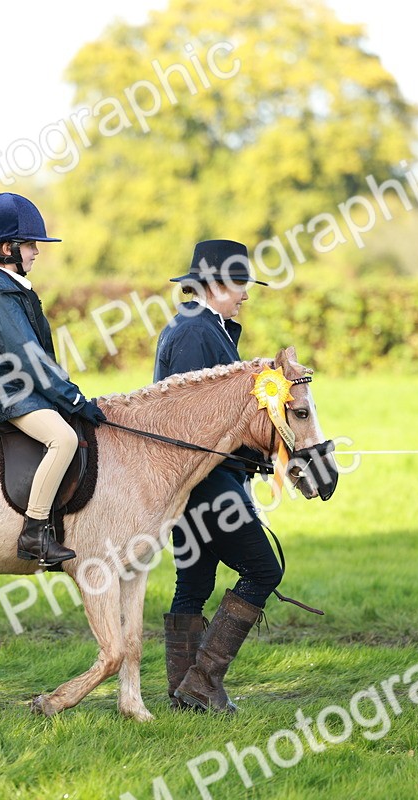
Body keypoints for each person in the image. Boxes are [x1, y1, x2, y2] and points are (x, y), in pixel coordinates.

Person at [155, 239, 279, 714]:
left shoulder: (211, 328)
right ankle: (202, 683)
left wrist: (253, 454)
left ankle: (184, 694)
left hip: (206, 478)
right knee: (264, 569)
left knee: (195, 583)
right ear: (214, 284)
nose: (246, 294)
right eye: (240, 284)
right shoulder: (193, 332)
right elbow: (192, 419)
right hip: (203, 481)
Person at [0, 193, 106, 566]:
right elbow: (30, 358)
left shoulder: (7, 286)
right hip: (2, 392)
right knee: (64, 437)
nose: (36, 252)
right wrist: (74, 400)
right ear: (8, 248)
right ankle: (34, 531)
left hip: (14, 385)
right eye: (31, 245)